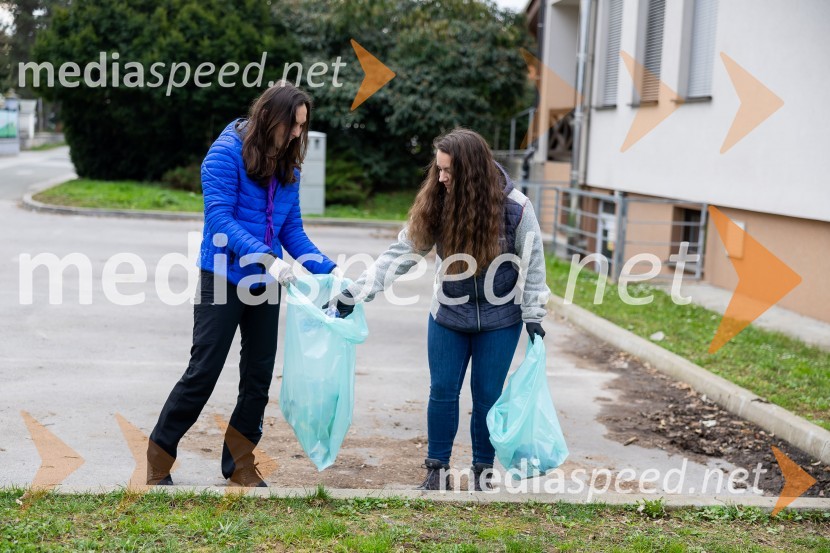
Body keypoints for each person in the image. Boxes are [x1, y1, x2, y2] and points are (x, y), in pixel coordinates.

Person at [332, 128, 551, 491]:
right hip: (449, 315)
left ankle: (482, 474)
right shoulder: (437, 201)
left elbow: (534, 264)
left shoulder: (516, 208)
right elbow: (401, 254)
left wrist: (534, 315)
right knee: (443, 391)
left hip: (500, 319)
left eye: (449, 170)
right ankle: (437, 472)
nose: (441, 177)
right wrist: (356, 292)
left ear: (471, 172)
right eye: (439, 169)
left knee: (487, 396)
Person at [146, 82, 339, 487]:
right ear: (270, 117)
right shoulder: (224, 154)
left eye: (302, 127)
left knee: (258, 378)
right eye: (292, 125)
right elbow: (220, 220)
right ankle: (158, 456)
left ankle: (239, 463)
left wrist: (330, 272)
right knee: (204, 370)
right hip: (222, 275)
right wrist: (267, 258)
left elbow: (292, 230)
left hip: (267, 280)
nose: (297, 134)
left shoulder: (289, 165)